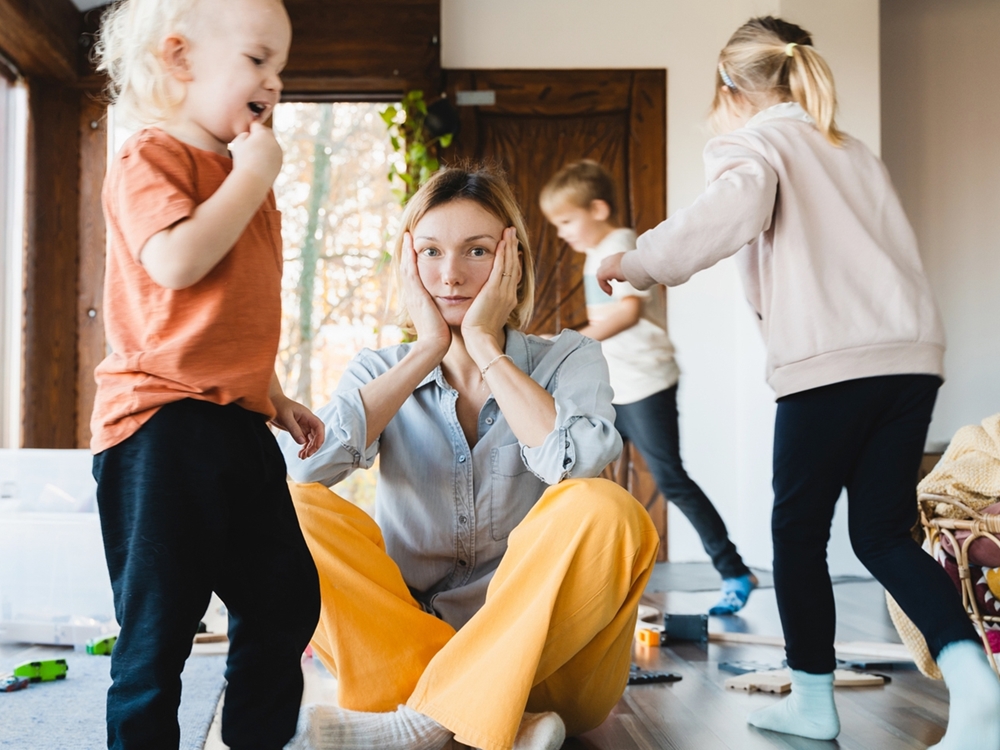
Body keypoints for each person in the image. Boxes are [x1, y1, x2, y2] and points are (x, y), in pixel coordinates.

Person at [597, 16, 1000, 749]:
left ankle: (813, 701)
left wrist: (640, 261)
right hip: (910, 356)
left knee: (797, 531)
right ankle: (978, 688)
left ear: (731, 87)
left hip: (833, 362)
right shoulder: (850, 150)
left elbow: (727, 212)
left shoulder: (754, 142)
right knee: (881, 533)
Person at [278, 166, 660, 750]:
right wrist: (425, 351)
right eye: (429, 251)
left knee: (607, 507)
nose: (450, 275)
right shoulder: (380, 370)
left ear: (513, 263)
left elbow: (575, 466)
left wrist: (485, 347)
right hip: (401, 661)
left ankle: (427, 724)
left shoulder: (570, 358)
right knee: (290, 507)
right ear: (407, 264)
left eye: (477, 251)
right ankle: (484, 719)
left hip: (547, 669)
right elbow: (307, 468)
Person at [91, 1, 323, 747]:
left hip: (235, 421)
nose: (275, 82)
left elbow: (225, 314)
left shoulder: (238, 176)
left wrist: (274, 394)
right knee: (160, 626)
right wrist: (252, 176)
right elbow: (178, 262)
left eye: (280, 67)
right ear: (180, 59)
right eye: (258, 60)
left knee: (285, 596)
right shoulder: (149, 156)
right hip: (159, 429)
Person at [541, 160, 758, 616]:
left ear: (597, 209)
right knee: (581, 475)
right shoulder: (594, 252)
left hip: (644, 383)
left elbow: (628, 313)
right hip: (613, 387)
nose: (562, 232)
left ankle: (734, 570)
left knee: (670, 479)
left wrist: (565, 344)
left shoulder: (619, 245)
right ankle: (591, 580)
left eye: (566, 221)